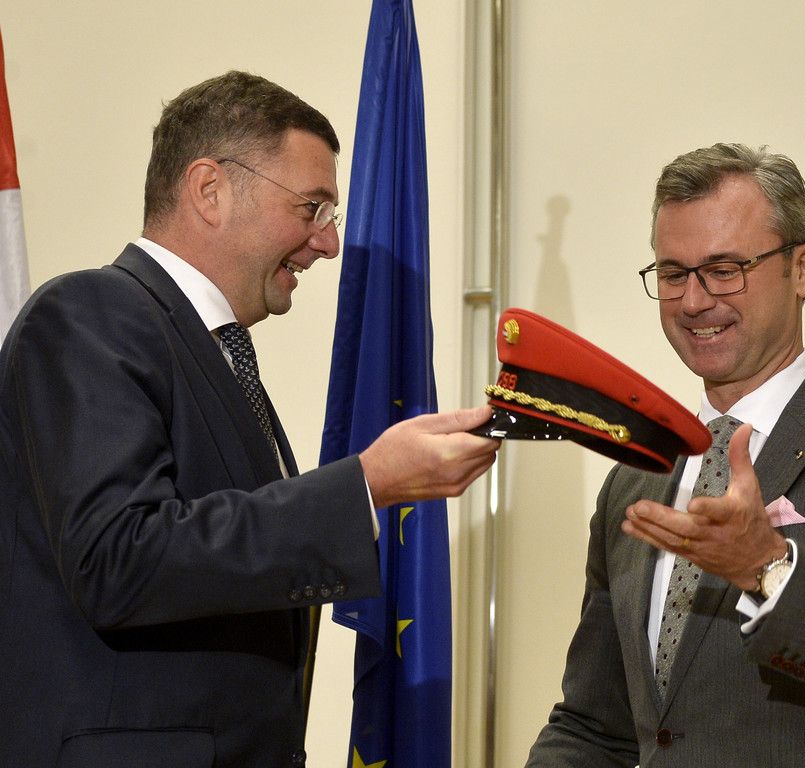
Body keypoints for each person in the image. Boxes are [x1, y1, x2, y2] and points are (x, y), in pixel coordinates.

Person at [0, 71, 498, 768]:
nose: (327, 243)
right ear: (210, 190)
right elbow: (118, 560)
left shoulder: (221, 356)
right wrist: (363, 485)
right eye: (312, 208)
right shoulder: (88, 315)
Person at [525, 143, 805, 767]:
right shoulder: (635, 481)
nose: (693, 301)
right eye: (673, 274)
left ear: (803, 269)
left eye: (724, 269)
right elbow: (595, 727)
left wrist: (769, 569)